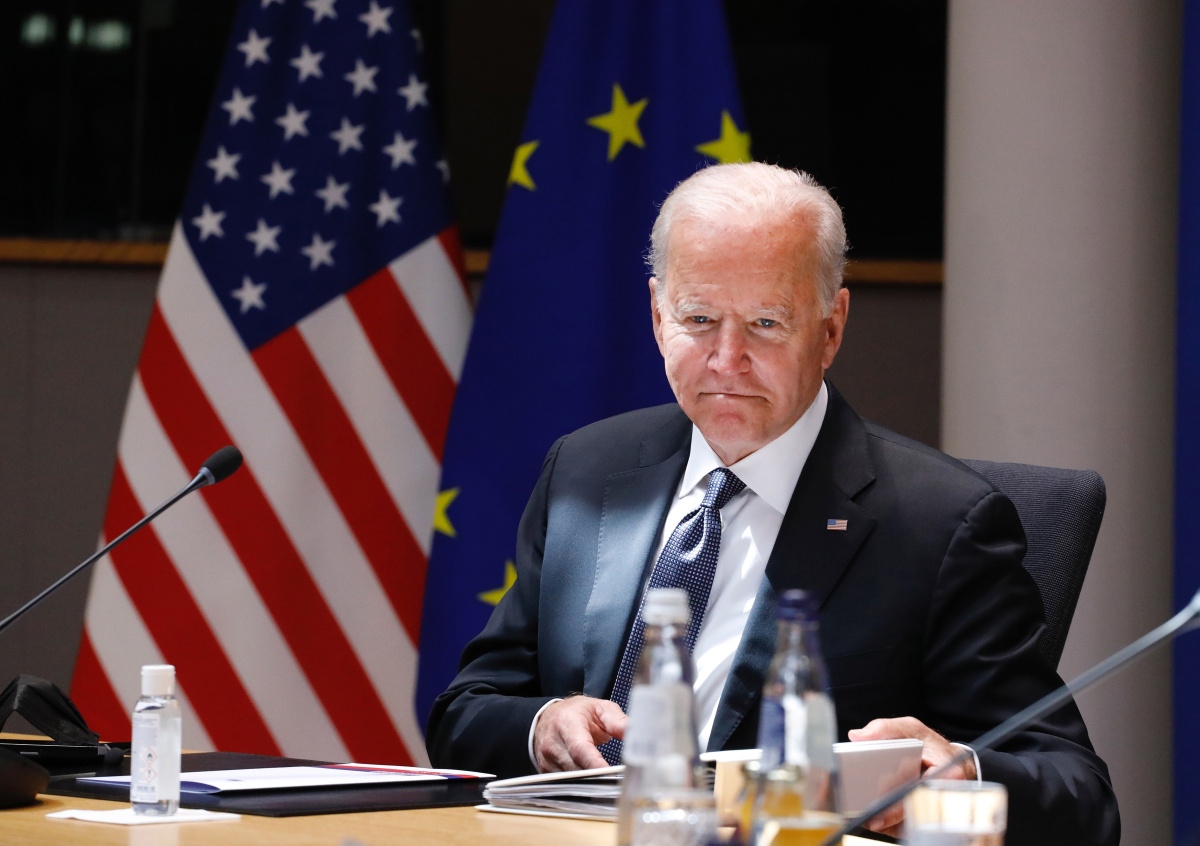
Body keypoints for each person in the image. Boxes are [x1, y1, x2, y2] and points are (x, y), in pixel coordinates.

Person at [426, 162, 1119, 844]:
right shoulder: (587, 470)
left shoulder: (942, 524)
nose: (726, 359)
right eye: (699, 318)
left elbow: (1080, 798)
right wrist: (543, 725)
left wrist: (960, 775)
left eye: (764, 323)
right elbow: (465, 713)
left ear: (831, 327)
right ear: (658, 316)